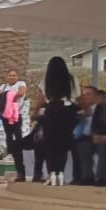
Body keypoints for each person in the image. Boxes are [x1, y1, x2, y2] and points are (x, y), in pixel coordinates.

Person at [36, 57, 78, 186]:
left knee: (51, 144)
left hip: (52, 111)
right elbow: (77, 97)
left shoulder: (46, 80)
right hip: (68, 111)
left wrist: (36, 110)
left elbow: (40, 100)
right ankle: (61, 174)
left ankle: (52, 173)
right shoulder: (72, 79)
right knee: (62, 144)